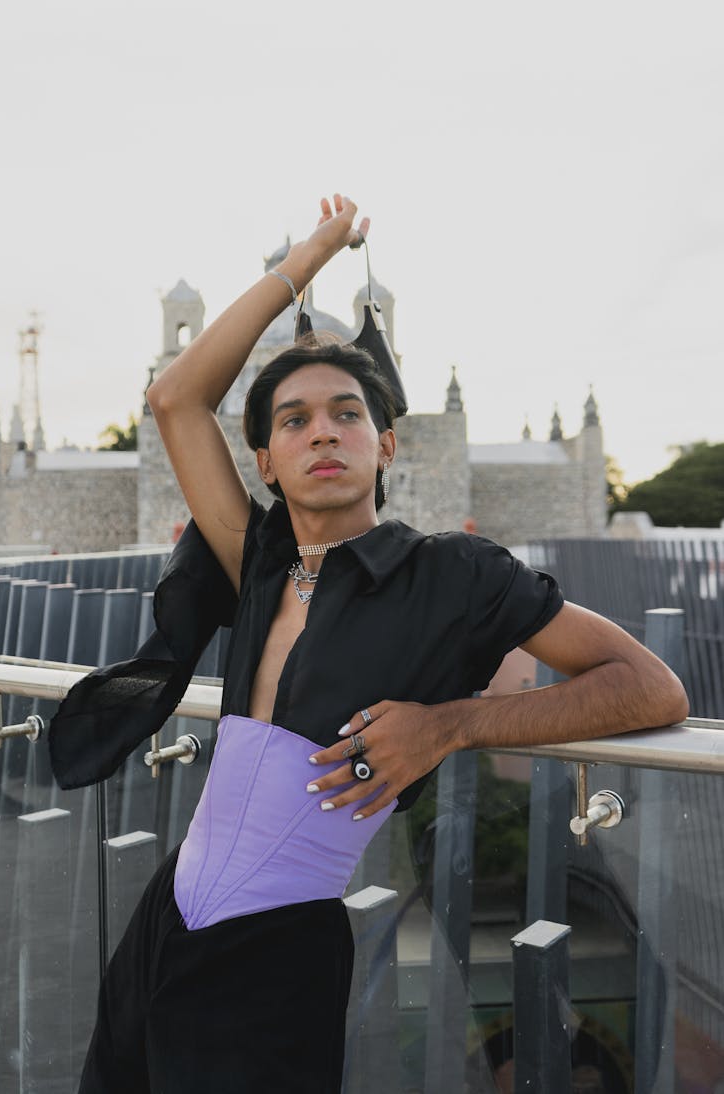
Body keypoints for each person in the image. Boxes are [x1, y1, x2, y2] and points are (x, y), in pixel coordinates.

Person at [53, 195, 688, 1093]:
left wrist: (453, 725)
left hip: (273, 952)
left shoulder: (452, 574)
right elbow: (173, 397)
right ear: (266, 463)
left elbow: (653, 689)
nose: (322, 430)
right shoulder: (258, 562)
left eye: (346, 414)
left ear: (385, 445)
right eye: (294, 419)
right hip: (166, 921)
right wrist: (309, 257)